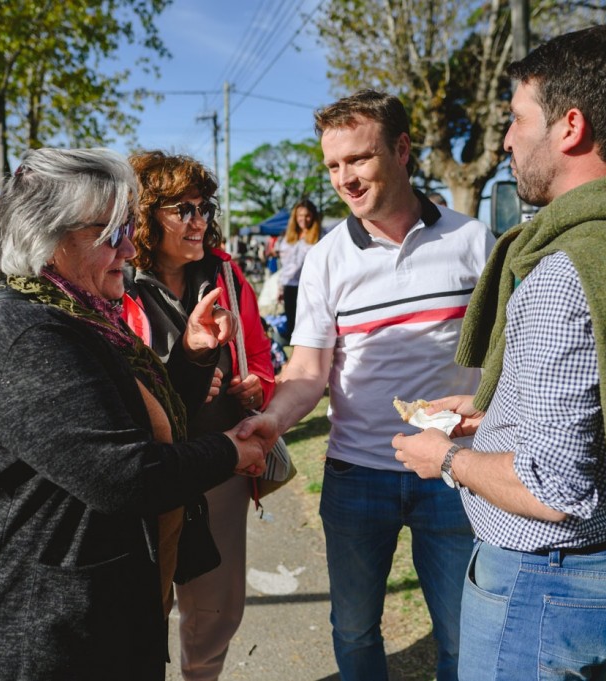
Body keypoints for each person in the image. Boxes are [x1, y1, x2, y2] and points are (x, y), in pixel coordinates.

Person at [391, 25, 606, 680]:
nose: (508, 141)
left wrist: (448, 457)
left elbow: (552, 487)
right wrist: (492, 415)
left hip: (541, 582)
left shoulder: (564, 275)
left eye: (518, 119)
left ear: (569, 127)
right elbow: (599, 405)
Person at [0, 147, 268, 681]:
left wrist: (190, 355)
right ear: (50, 234)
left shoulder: (77, 312)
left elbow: (132, 418)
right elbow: (126, 475)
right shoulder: (26, 333)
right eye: (112, 232)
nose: (130, 246)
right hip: (40, 628)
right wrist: (231, 449)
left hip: (89, 610)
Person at [237, 90, 495, 680]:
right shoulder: (327, 257)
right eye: (333, 165)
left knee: (462, 634)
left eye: (358, 159)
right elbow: (307, 371)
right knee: (354, 630)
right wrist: (274, 419)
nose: (344, 179)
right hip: (357, 477)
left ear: (402, 150)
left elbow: (503, 356)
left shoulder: (472, 241)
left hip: (453, 470)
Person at [121, 150, 275, 681]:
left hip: (222, 466)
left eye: (204, 207)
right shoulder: (118, 283)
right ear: (145, 215)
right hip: (152, 471)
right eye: (182, 209)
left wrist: (258, 385)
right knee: (142, 603)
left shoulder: (227, 274)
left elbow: (260, 354)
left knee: (217, 607)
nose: (200, 221)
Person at [275, 198, 321, 342]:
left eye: (307, 215)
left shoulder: (320, 236)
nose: (304, 219)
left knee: (309, 323)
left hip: (310, 286)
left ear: (313, 216)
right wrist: (280, 288)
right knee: (292, 323)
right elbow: (285, 266)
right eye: (300, 215)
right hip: (289, 285)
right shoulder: (288, 237)